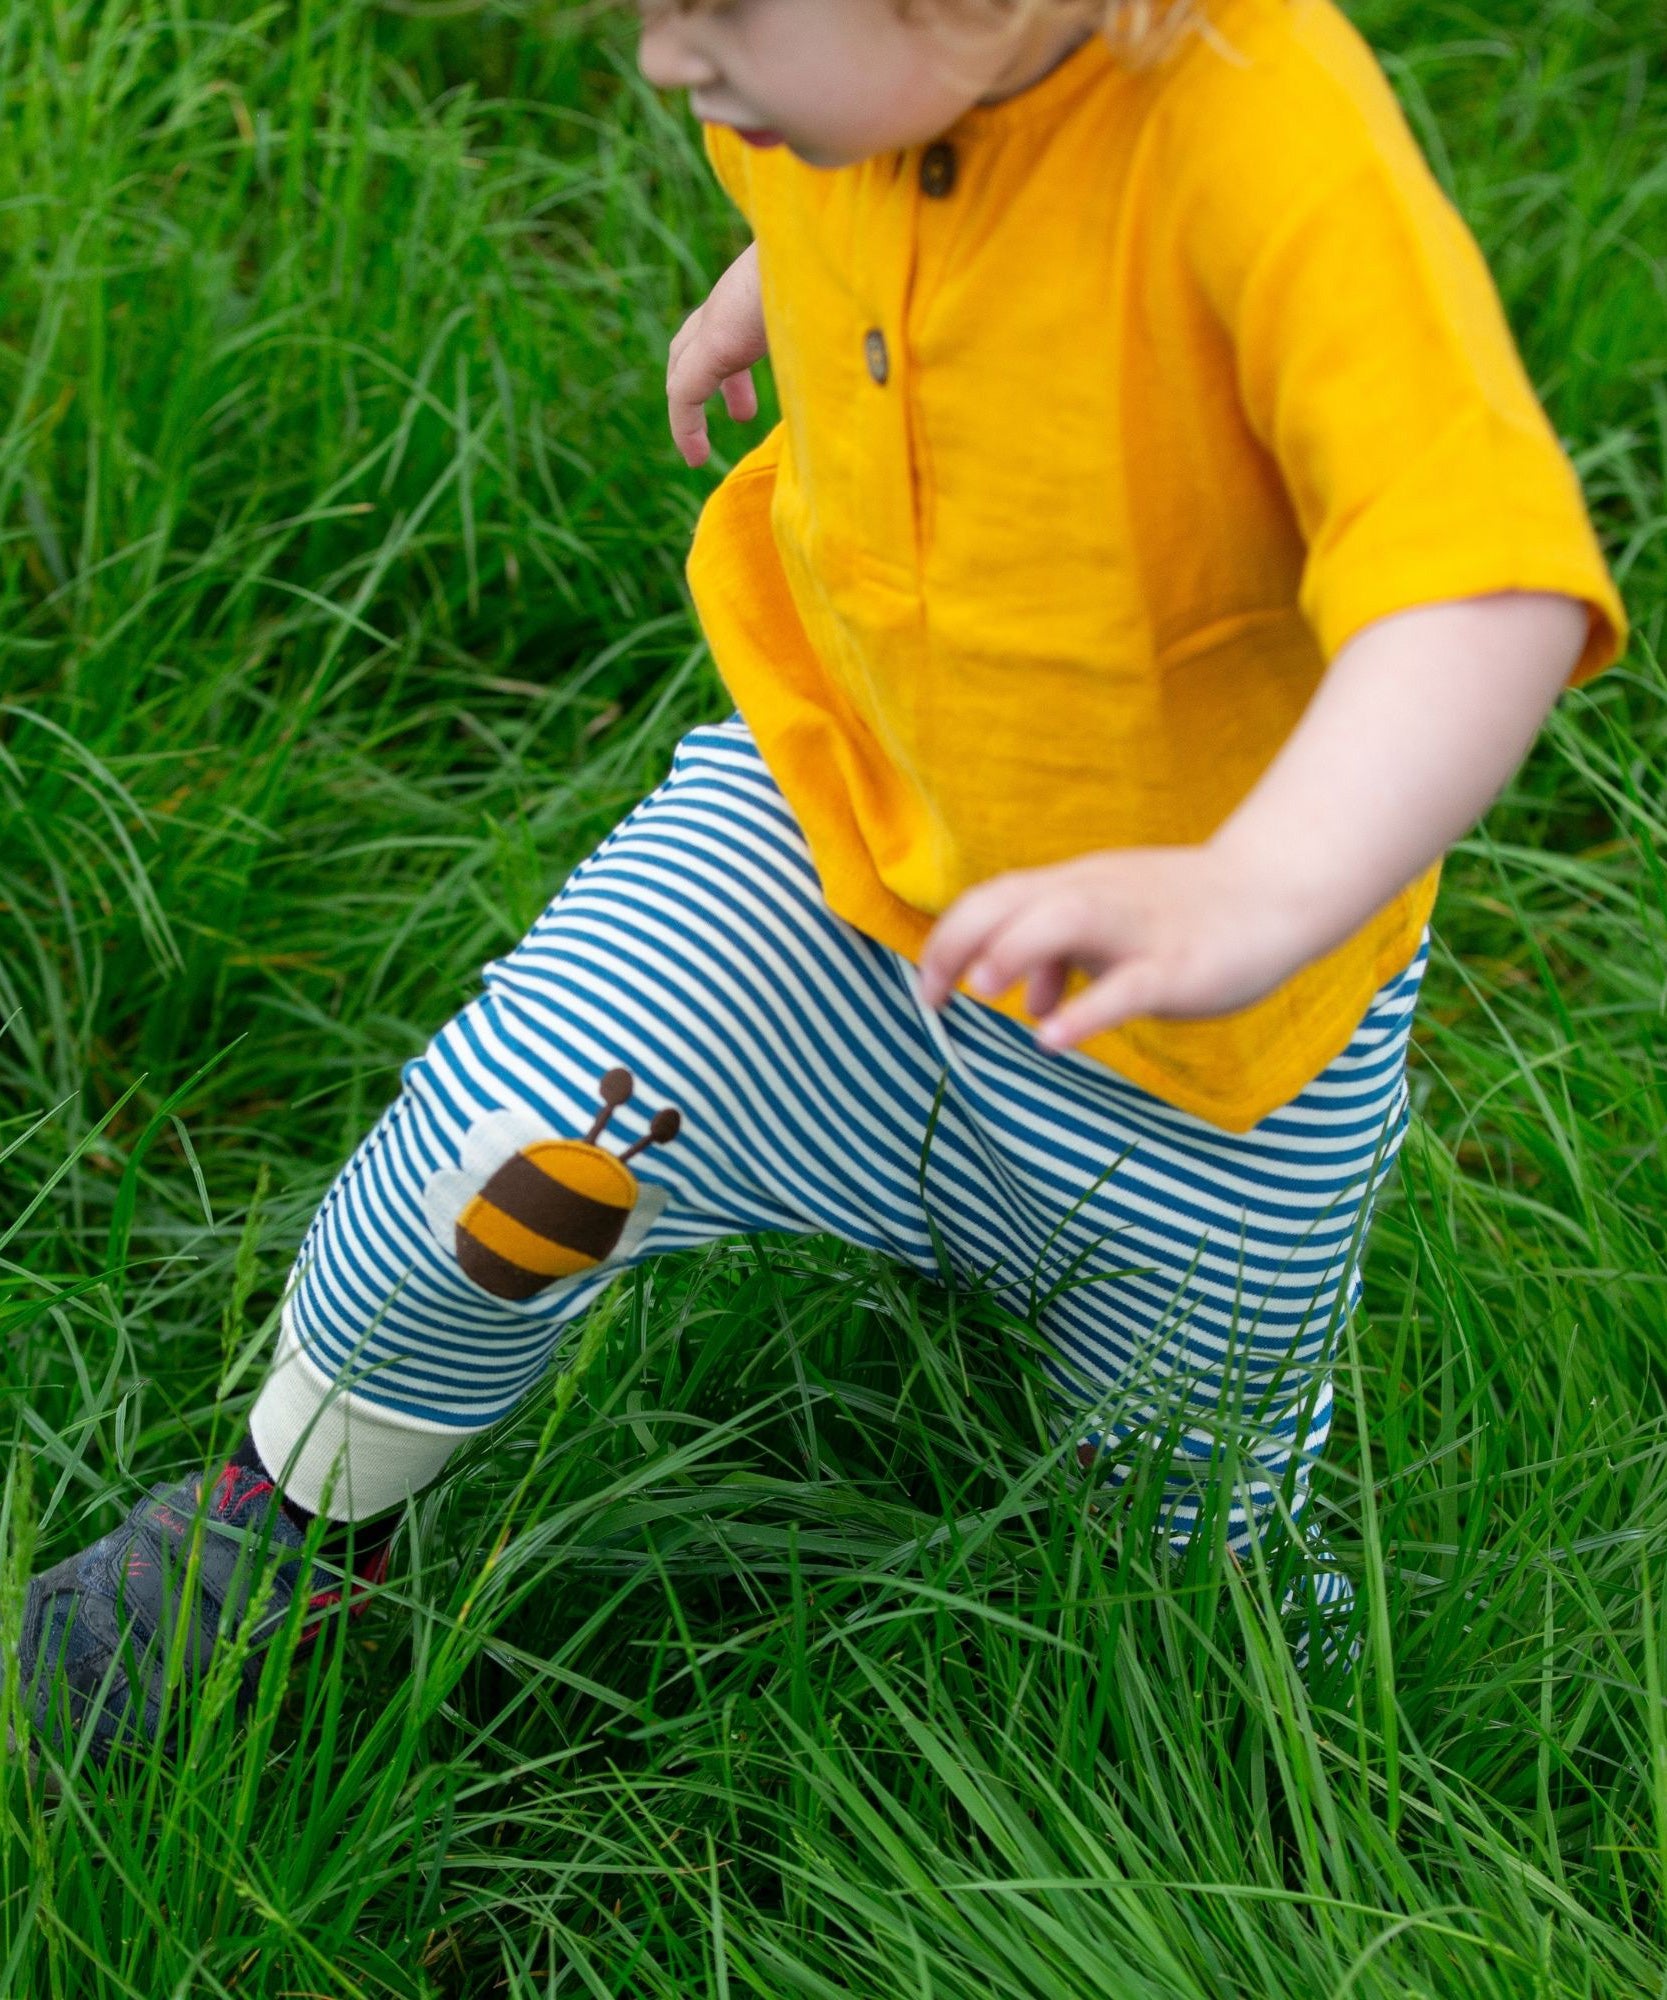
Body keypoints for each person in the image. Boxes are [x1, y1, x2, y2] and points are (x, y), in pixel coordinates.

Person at [12, 0, 1626, 1764]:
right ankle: (295, 1532)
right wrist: (783, 267)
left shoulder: (1269, 161)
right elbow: (918, 197)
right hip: (834, 834)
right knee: (493, 1168)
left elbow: (1486, 589)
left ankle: (1259, 1761)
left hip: (1199, 1044)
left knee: (1187, 1532)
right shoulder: (849, 81)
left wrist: (1252, 890)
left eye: (712, 9)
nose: (661, 57)